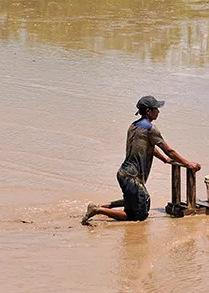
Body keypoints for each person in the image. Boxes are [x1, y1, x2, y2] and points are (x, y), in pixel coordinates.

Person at [82, 96, 200, 224]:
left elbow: (150, 147)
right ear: (149, 111)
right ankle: (97, 210)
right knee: (138, 215)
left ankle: (104, 206)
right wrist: (188, 164)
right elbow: (169, 150)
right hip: (132, 177)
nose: (158, 112)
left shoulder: (133, 126)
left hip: (124, 173)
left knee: (136, 200)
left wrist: (164, 160)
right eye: (156, 109)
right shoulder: (150, 129)